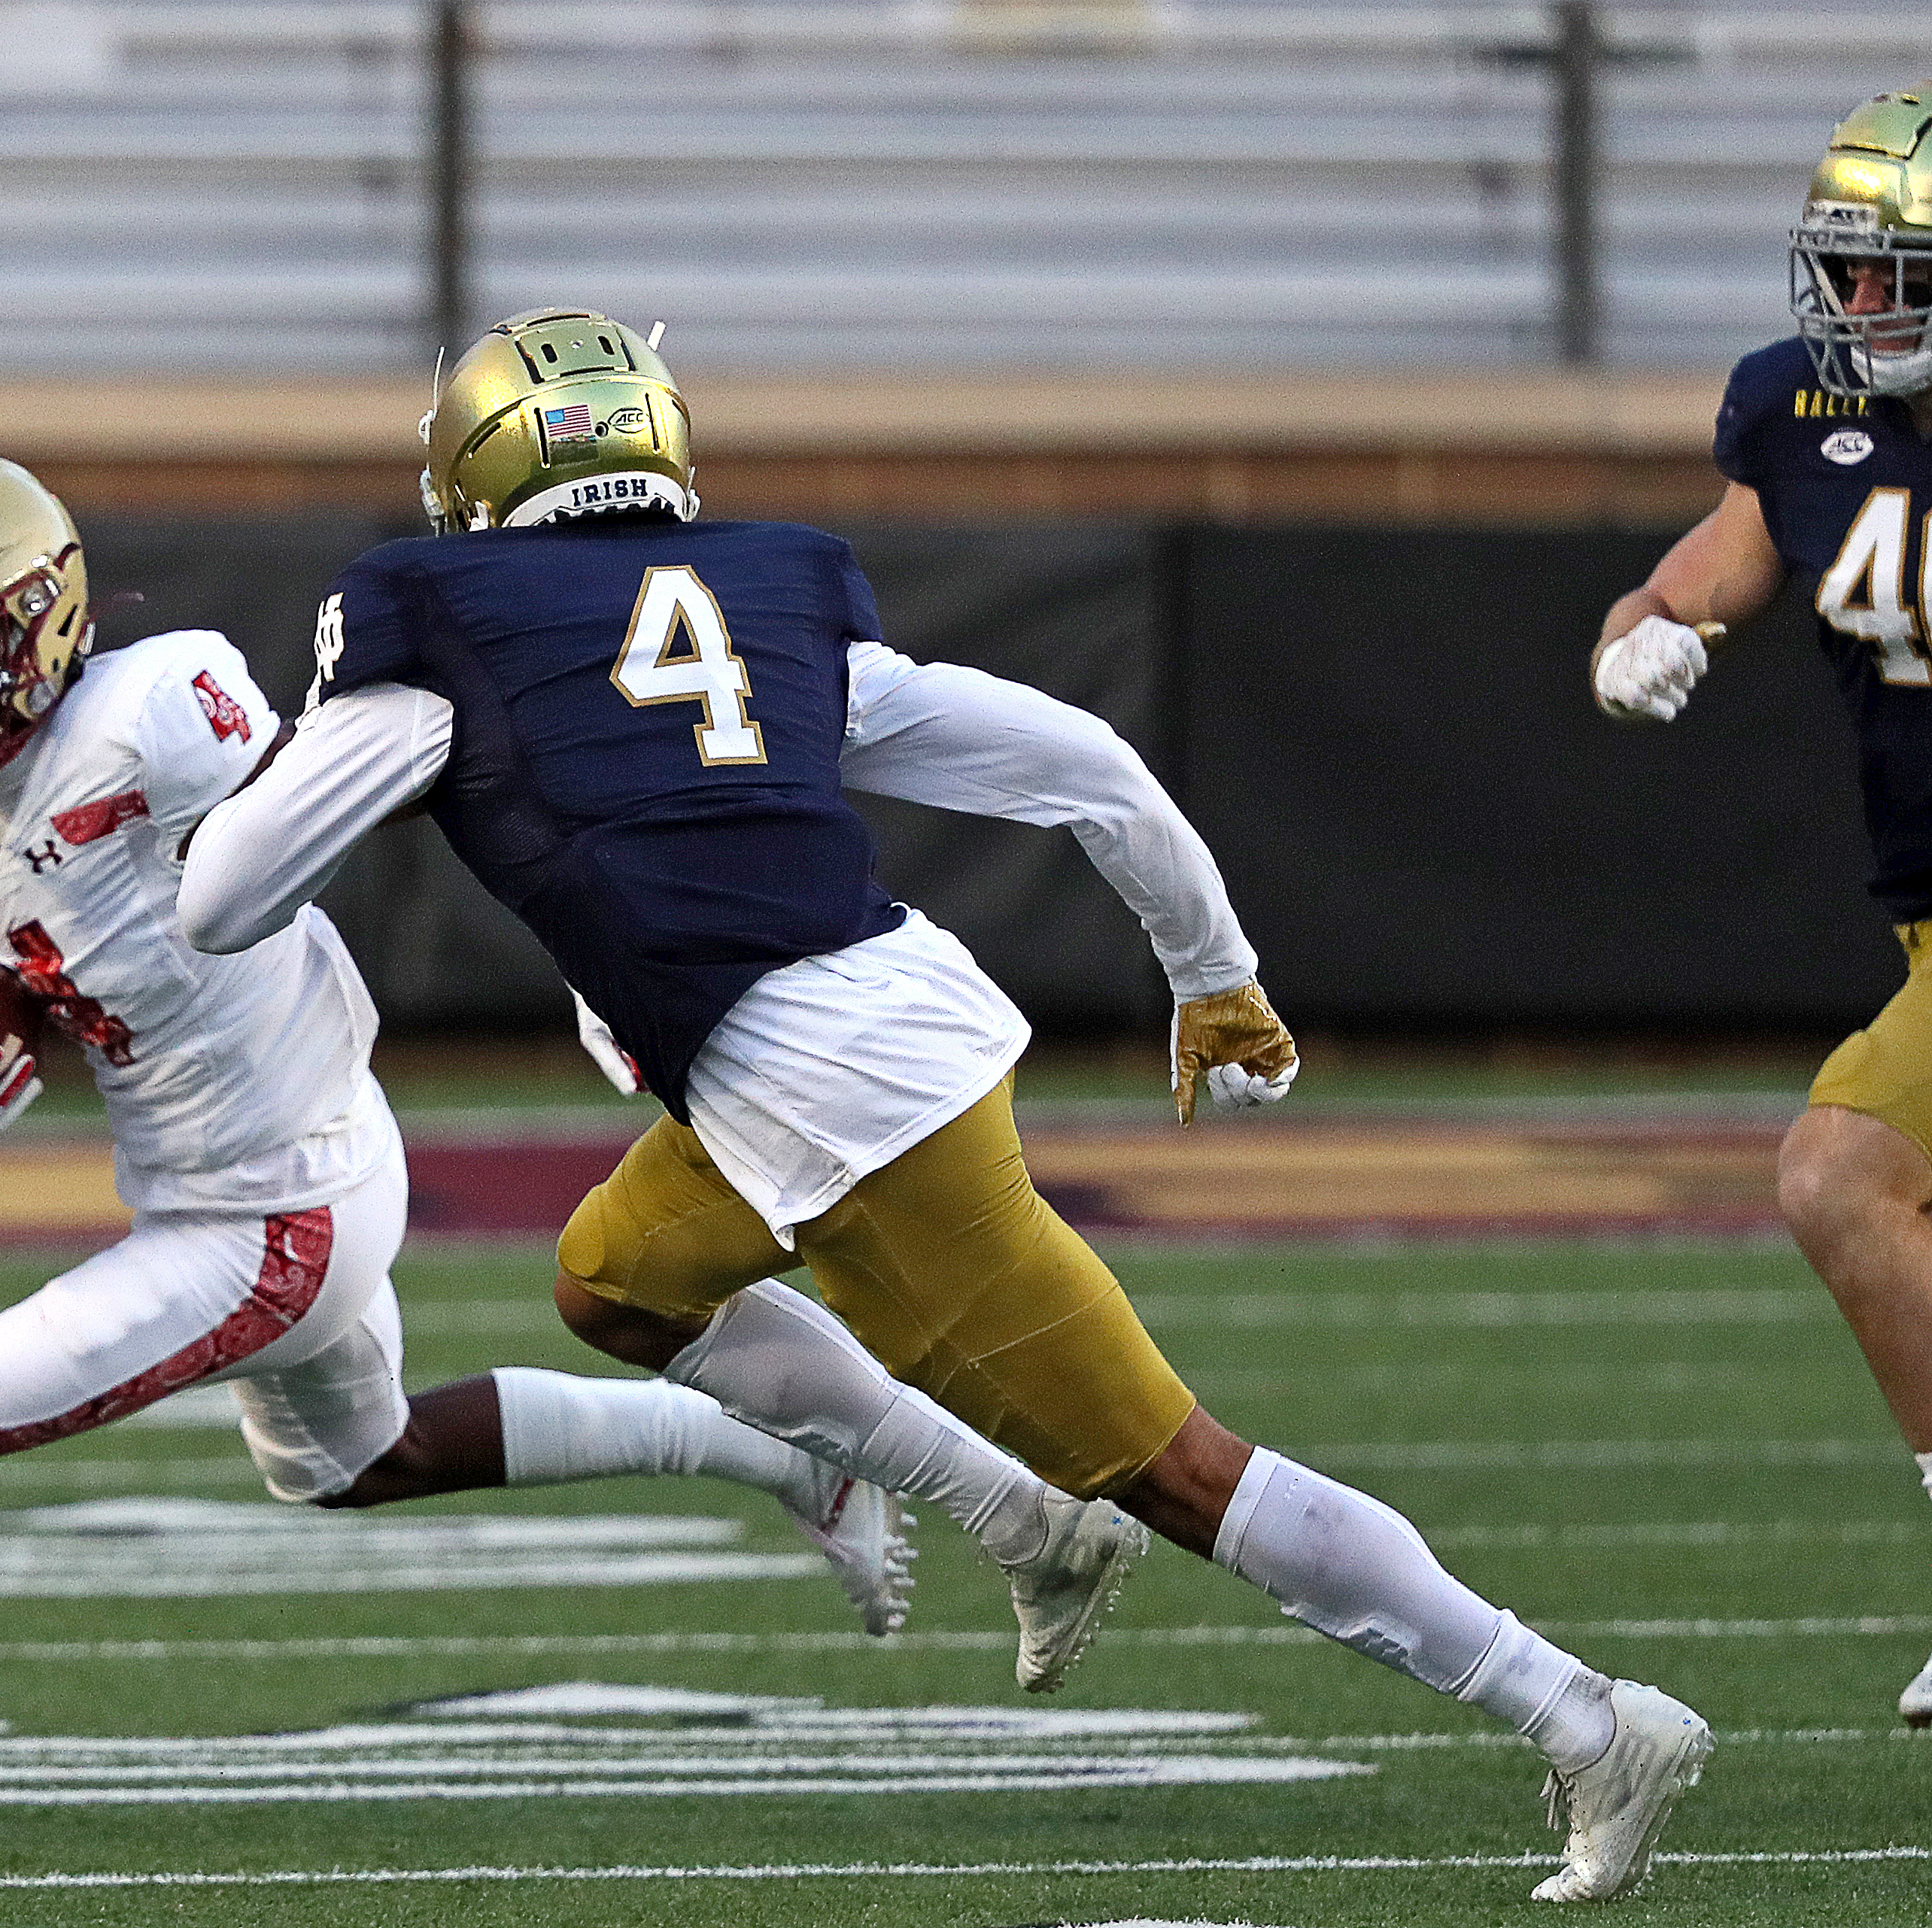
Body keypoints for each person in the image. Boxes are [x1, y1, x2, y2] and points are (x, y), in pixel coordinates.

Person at [178, 311, 1712, 1904]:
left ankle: (1585, 1713)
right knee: (616, 1280)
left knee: (1180, 1471)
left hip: (839, 1102)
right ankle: (1023, 1518)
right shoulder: (761, 602)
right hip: (854, 1025)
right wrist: (1213, 969)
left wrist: (323, 788)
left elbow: (221, 900)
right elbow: (1094, 764)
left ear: (472, 475)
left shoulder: (438, 639)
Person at [0, 451, 1109, 1752]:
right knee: (353, 1461)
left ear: (48, 623)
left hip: (283, 1188)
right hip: (200, 1168)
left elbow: (325, 820)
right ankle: (779, 1456)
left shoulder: (169, 706)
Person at [1589, 83, 1932, 1729]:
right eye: (1846, 275)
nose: (1858, 311)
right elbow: (1708, 567)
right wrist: (1641, 636)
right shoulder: (1798, 408)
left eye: (1894, 276)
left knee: (1840, 1169)